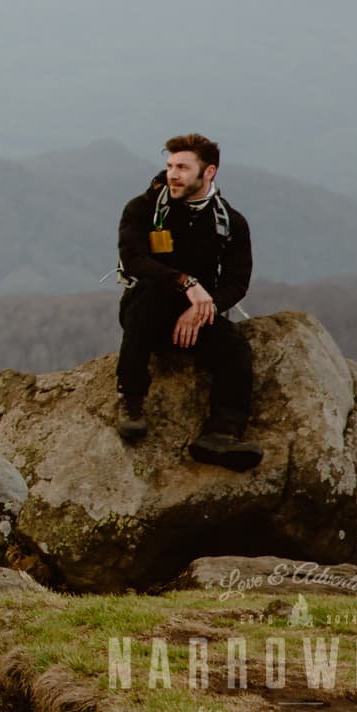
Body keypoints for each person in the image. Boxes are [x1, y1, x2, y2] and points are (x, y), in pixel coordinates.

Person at [113, 133, 261, 470]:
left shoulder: (230, 223)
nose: (172, 174)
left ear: (209, 172)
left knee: (235, 347)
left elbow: (238, 281)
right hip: (147, 307)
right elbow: (134, 259)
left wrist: (202, 307)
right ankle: (131, 399)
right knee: (146, 300)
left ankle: (220, 434)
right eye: (169, 166)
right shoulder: (144, 209)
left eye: (182, 167)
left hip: (196, 314)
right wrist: (186, 283)